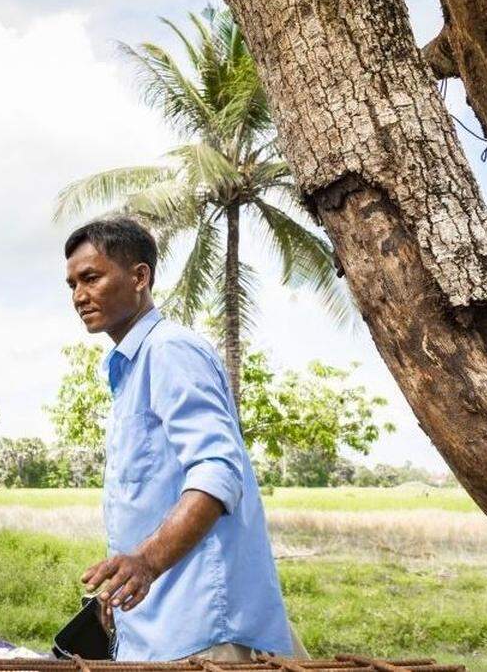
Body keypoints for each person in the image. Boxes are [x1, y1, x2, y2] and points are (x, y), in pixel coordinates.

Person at [64, 214, 307, 662]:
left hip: (203, 627)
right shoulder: (130, 367)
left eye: (91, 278)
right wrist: (124, 580)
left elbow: (217, 473)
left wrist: (146, 563)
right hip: (162, 623)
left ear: (140, 277)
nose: (79, 296)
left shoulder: (170, 350)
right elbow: (150, 498)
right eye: (72, 285)